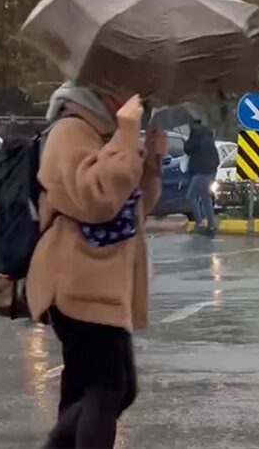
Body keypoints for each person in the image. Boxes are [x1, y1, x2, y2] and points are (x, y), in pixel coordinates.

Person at [27, 82, 164, 449]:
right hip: (75, 284)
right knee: (111, 387)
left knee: (88, 389)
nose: (137, 100)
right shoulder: (70, 131)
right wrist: (126, 134)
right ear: (104, 92)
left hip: (103, 287)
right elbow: (96, 198)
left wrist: (151, 162)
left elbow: (136, 208)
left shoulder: (106, 135)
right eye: (129, 90)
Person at [183, 119, 220, 236]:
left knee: (191, 197)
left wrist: (187, 141)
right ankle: (211, 225)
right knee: (205, 198)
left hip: (200, 172)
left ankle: (200, 223)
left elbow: (188, 149)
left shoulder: (196, 136)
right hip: (210, 171)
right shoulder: (208, 137)